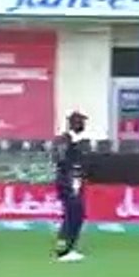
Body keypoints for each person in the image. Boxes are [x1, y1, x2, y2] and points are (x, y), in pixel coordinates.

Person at [52, 111, 88, 262]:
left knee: (76, 215)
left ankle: (68, 247)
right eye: (81, 122)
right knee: (72, 215)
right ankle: (63, 250)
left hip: (73, 182)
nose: (83, 125)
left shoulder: (73, 141)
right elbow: (62, 161)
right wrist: (72, 180)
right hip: (69, 183)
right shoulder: (65, 140)